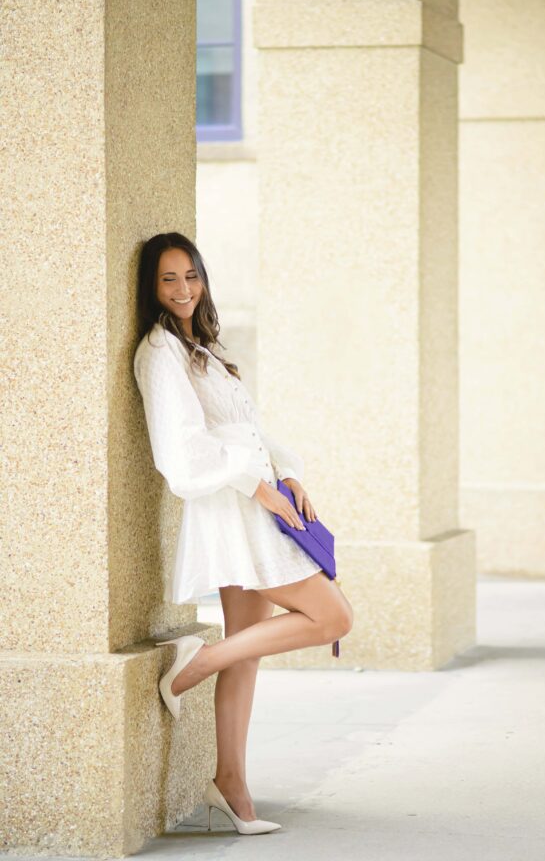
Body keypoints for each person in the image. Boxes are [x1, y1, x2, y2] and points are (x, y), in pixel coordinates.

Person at [133, 232, 353, 836]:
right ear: (151, 288)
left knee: (250, 649)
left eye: (191, 276)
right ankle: (193, 666)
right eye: (168, 279)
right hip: (236, 509)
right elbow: (180, 454)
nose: (183, 289)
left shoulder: (199, 346)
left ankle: (230, 783)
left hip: (256, 499)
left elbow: (247, 430)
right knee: (333, 618)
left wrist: (289, 473)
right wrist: (260, 487)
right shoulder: (160, 353)